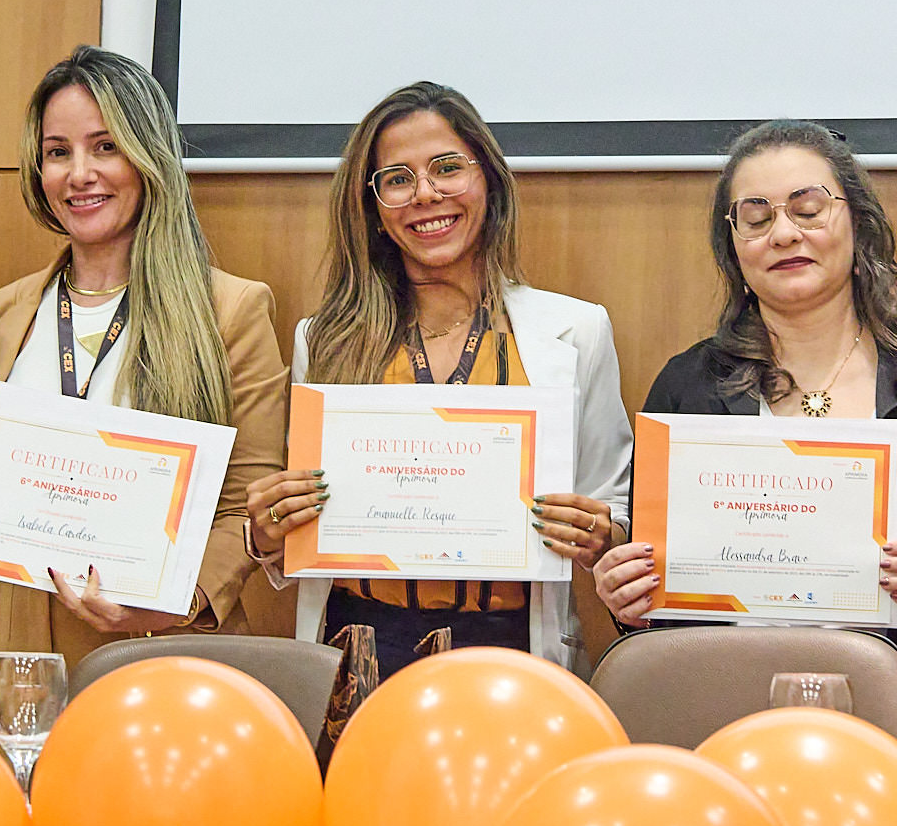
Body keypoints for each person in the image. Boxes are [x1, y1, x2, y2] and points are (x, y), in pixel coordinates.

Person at [589, 121, 897, 707]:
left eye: (807, 209)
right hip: (726, 709)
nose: (783, 234)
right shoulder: (687, 387)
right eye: (756, 218)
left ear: (858, 223)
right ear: (733, 246)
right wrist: (629, 600)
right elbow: (658, 595)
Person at [0, 46, 288, 739]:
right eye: (57, 152)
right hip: (8, 649)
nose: (79, 174)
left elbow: (250, 505)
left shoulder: (231, 312)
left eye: (105, 146)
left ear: (147, 157)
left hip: (151, 648)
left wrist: (171, 601)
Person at [244, 81, 632, 677]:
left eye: (447, 168)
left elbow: (613, 507)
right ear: (374, 208)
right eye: (397, 179)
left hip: (514, 652)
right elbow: (303, 528)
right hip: (356, 650)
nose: (425, 194)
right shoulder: (322, 340)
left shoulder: (577, 332)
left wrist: (601, 535)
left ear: (488, 181)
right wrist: (269, 533)